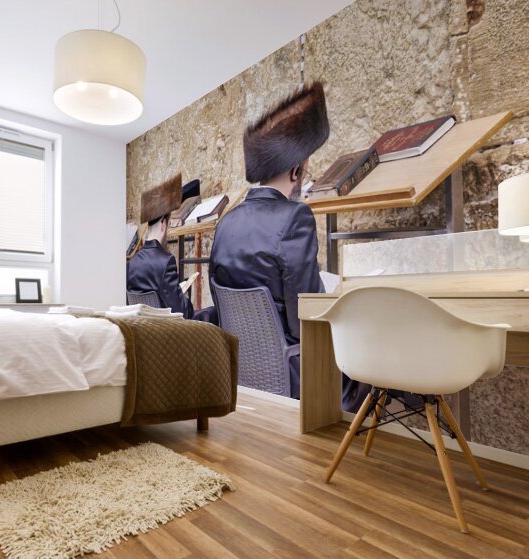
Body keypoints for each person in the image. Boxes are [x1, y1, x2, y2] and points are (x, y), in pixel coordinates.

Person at [209, 82, 366, 408]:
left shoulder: (225, 223)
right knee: (367, 353)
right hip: (295, 371)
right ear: (296, 170)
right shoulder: (295, 217)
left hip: (244, 370)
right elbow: (306, 316)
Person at [127, 174, 211, 321]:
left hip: (146, 333)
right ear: (164, 225)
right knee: (212, 312)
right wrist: (183, 294)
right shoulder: (165, 261)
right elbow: (184, 313)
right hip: (170, 335)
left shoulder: (131, 263)